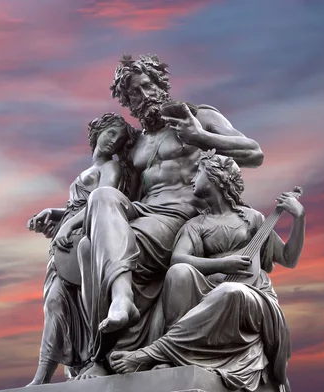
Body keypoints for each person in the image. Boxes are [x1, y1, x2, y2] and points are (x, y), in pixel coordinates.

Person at [69, 54, 265, 379]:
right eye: (134, 92)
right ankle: (113, 320)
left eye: (148, 85)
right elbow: (114, 188)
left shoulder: (199, 116)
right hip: (144, 213)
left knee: (95, 250)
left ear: (162, 84)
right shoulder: (135, 146)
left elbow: (254, 153)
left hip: (180, 216)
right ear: (128, 102)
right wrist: (66, 214)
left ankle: (116, 329)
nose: (144, 95)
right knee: (90, 236)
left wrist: (201, 137)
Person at [109, 150, 305, 392]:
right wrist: (222, 264)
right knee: (179, 272)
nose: (192, 178)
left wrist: (299, 218)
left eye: (198, 171)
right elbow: (178, 259)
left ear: (216, 177)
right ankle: (174, 357)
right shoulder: (196, 225)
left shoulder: (252, 219)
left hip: (251, 297)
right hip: (211, 290)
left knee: (232, 292)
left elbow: (288, 257)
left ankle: (153, 352)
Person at [25, 113, 139, 385]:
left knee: (70, 304)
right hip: (65, 244)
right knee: (53, 303)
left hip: (84, 239)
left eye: (120, 139)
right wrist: (53, 213)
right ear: (97, 131)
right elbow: (77, 205)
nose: (114, 141)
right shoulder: (87, 171)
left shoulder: (111, 169)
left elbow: (98, 203)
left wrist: (66, 226)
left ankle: (80, 362)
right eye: (111, 133)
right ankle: (41, 376)